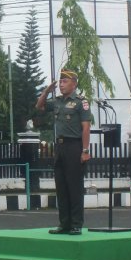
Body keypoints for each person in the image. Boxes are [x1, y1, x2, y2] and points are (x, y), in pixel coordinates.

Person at [36, 69, 91, 235]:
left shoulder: (81, 102)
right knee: (61, 187)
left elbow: (86, 127)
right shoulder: (58, 101)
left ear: (74, 84)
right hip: (59, 147)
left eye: (64, 82)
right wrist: (47, 91)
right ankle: (64, 224)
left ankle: (76, 224)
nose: (61, 85)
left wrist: (85, 150)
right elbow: (39, 106)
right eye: (60, 82)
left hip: (74, 147)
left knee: (74, 187)